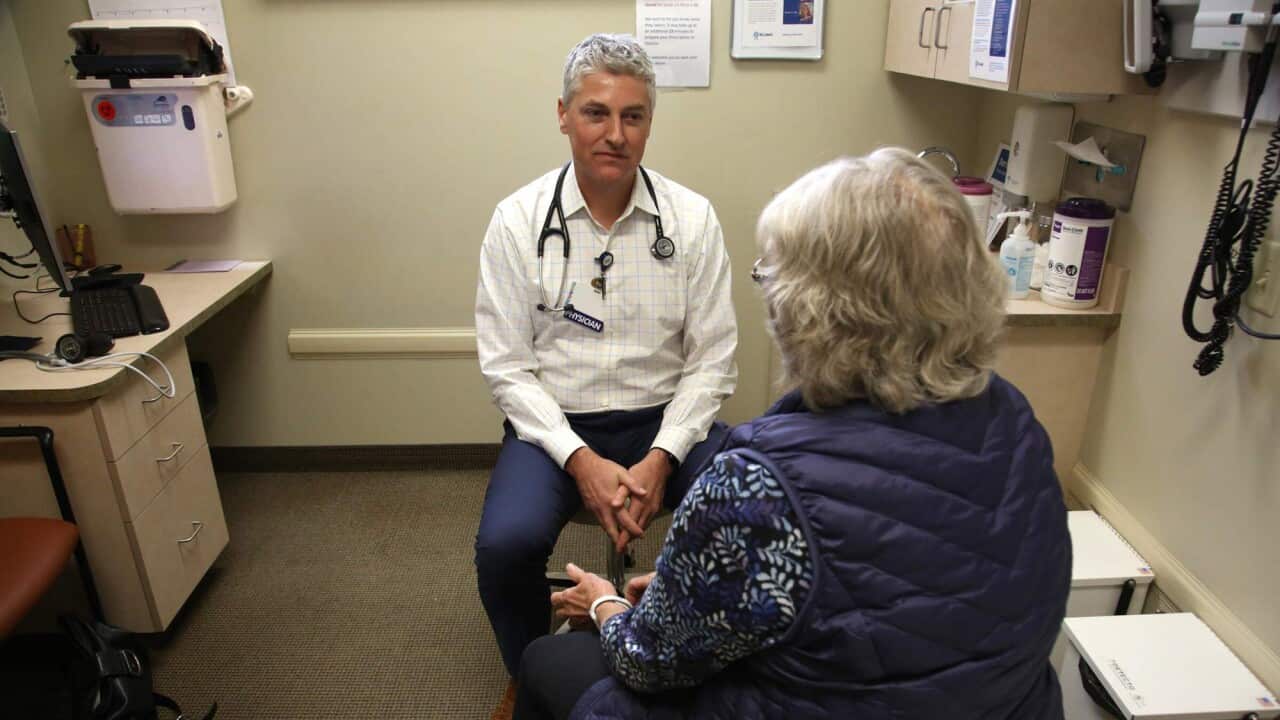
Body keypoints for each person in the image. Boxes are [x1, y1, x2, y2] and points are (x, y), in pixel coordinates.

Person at [515, 149, 1072, 720]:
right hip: (1005, 706)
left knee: (549, 662)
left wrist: (606, 605)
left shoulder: (757, 485)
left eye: (771, 276)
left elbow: (648, 661)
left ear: (812, 309)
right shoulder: (1012, 420)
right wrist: (704, 586)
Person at [473, 32, 739, 693]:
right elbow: (508, 367)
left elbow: (713, 360)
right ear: (563, 115)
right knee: (504, 547)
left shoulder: (693, 220)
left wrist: (663, 455)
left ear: (649, 121)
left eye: (633, 115)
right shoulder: (517, 222)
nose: (615, 133)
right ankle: (540, 672)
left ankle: (697, 660)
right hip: (554, 434)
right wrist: (580, 460)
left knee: (744, 514)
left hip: (666, 425)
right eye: (596, 113)